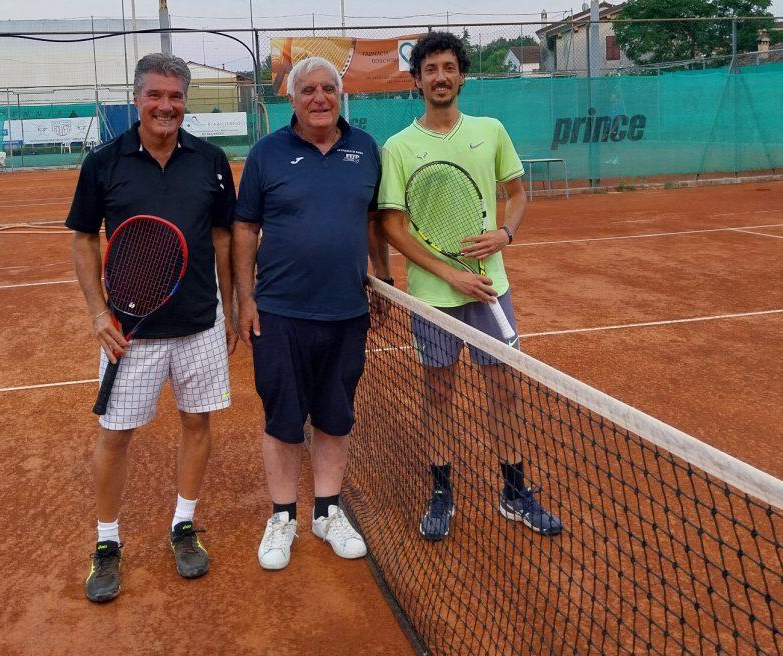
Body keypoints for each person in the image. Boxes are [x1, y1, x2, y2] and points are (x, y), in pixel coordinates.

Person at [376, 32, 562, 541]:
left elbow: (518, 193)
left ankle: (514, 490)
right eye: (430, 69)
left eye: (448, 68)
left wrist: (506, 232)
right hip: (433, 297)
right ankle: (441, 491)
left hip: (490, 290)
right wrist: (450, 273)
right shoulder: (398, 147)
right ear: (416, 80)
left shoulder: (491, 130)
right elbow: (392, 225)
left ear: (461, 75)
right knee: (438, 395)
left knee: (505, 392)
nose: (440, 77)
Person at [66, 53, 237, 603]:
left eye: (176, 96)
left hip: (199, 326)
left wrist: (231, 308)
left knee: (196, 425)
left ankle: (183, 525)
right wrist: (97, 313)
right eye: (155, 95)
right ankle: (107, 542)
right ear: (137, 98)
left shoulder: (211, 161)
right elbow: (85, 237)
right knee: (115, 436)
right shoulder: (103, 163)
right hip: (129, 332)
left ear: (186, 100)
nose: (166, 106)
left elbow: (223, 239)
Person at [233, 56, 391, 571]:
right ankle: (283, 516)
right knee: (282, 421)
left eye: (329, 89)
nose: (320, 98)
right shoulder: (266, 153)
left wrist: (382, 279)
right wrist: (245, 297)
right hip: (279, 313)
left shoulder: (366, 149)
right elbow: (244, 229)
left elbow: (372, 221)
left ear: (340, 96)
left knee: (334, 415)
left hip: (347, 313)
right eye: (309, 90)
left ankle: (326, 510)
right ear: (292, 98)